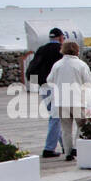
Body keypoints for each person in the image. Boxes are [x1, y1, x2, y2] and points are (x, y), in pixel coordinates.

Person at [46, 39, 91, 162]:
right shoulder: (81, 65)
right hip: (78, 101)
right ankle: (77, 147)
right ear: (77, 51)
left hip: (62, 102)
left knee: (66, 129)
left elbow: (49, 80)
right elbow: (89, 81)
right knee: (82, 125)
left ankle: (68, 152)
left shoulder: (57, 65)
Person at [28, 28, 66, 158]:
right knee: (56, 117)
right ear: (61, 38)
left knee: (55, 117)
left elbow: (32, 68)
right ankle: (49, 149)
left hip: (43, 87)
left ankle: (66, 146)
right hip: (56, 87)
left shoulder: (41, 49)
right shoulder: (62, 51)